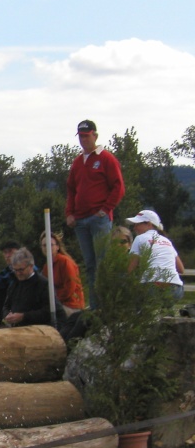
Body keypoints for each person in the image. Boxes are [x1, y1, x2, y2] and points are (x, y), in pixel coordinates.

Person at [65, 119, 125, 309]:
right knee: (90, 265)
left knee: (103, 263)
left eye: (86, 136)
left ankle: (107, 304)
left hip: (98, 218)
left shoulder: (106, 158)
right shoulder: (77, 161)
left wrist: (106, 209)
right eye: (81, 137)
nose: (83, 140)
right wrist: (70, 213)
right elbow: (71, 189)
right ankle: (95, 306)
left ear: (95, 136)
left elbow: (118, 186)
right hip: (81, 219)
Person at [125, 209, 185, 302]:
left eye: (138, 224)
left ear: (149, 224)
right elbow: (181, 269)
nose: (135, 228)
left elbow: (130, 269)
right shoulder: (167, 241)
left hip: (151, 288)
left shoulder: (139, 238)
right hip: (176, 289)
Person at [2, 247, 67, 331]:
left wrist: (24, 316)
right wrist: (7, 315)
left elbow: (50, 310)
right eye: (15, 270)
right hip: (18, 328)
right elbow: (6, 306)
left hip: (41, 328)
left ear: (31, 266)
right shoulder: (14, 284)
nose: (18, 273)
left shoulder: (43, 284)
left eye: (21, 270)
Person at [39, 231, 85, 316]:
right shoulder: (46, 267)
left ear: (57, 247)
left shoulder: (65, 262)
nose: (47, 248)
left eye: (50, 245)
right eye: (44, 245)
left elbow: (70, 287)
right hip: (57, 304)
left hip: (71, 305)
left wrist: (54, 301)